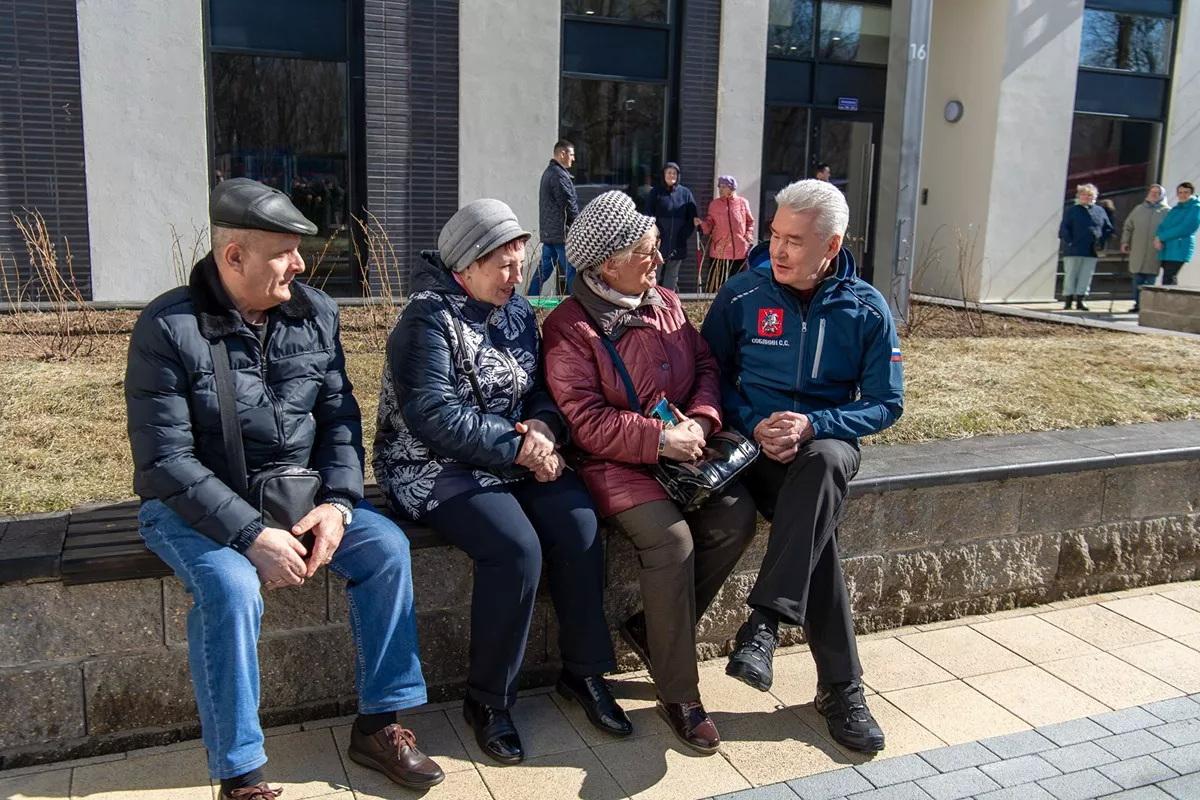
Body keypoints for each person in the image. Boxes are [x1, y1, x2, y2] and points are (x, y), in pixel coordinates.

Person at [125, 179, 443, 798]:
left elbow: (339, 420)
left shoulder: (315, 313)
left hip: (300, 499)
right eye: (284, 252)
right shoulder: (169, 327)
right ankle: (240, 775)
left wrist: (340, 504)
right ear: (234, 255)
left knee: (386, 550)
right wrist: (249, 535)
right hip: (191, 507)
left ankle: (381, 724)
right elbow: (165, 462)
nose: (300, 264)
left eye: (300, 250)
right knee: (232, 586)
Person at [374, 198, 629, 765]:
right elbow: (433, 416)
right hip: (431, 466)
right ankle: (488, 701)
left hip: (515, 453)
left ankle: (583, 672)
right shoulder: (425, 320)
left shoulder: (515, 311)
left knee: (578, 522)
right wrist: (523, 447)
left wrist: (542, 423)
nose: (518, 279)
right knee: (516, 548)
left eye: (520, 263)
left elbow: (539, 386)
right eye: (504, 267)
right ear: (466, 266)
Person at [542, 191, 758, 755]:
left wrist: (704, 422)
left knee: (736, 516)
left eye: (657, 248)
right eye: (647, 251)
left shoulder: (664, 300)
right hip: (613, 464)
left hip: (684, 450)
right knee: (673, 541)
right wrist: (659, 439)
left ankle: (651, 630)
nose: (659, 260)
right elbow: (585, 421)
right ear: (607, 263)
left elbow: (705, 365)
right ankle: (680, 694)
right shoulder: (570, 327)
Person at [701, 179, 904, 754]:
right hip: (750, 450)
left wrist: (815, 424)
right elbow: (707, 377)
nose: (779, 250)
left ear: (831, 245)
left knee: (823, 463)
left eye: (794, 240)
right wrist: (752, 421)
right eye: (774, 236)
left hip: (823, 449)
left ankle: (765, 624)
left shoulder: (866, 308)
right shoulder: (742, 295)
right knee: (818, 539)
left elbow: (886, 402)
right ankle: (840, 688)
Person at [531, 139, 581, 295]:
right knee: (571, 269)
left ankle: (529, 298)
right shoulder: (559, 175)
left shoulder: (549, 173)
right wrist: (578, 224)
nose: (573, 159)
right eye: (571, 154)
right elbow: (568, 203)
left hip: (550, 233)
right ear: (562, 153)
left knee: (543, 271)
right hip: (561, 233)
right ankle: (576, 304)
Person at [644, 161, 698, 291]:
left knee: (672, 275)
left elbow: (692, 218)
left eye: (674, 173)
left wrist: (684, 234)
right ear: (663, 175)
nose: (671, 175)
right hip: (658, 240)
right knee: (654, 271)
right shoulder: (655, 192)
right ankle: (653, 300)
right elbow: (648, 215)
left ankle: (668, 302)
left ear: (678, 175)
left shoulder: (685, 193)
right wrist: (654, 235)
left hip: (678, 241)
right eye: (668, 173)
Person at [1058, 183, 1113, 310]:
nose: (1087, 197)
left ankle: (1081, 300)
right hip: (1073, 249)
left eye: (1090, 195)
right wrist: (1069, 241)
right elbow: (1064, 229)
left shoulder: (1099, 211)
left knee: (1086, 276)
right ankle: (1068, 300)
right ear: (1079, 196)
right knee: (1071, 275)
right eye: (1084, 195)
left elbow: (1108, 228)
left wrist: (1101, 241)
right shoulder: (1072, 210)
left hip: (1091, 250)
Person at [697, 175, 756, 293]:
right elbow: (709, 225)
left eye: (723, 187)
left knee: (740, 287)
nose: (720, 189)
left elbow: (750, 221)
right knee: (717, 288)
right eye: (719, 186)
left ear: (732, 188)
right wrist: (702, 224)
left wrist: (748, 234)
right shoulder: (714, 205)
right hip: (720, 253)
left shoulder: (742, 203)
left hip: (740, 253)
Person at [1121, 184, 1170, 312]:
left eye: (1157, 193)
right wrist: (1125, 242)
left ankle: (1146, 305)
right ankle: (1137, 304)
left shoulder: (1166, 211)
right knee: (1137, 278)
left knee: (1150, 279)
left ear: (1162, 196)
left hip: (1155, 251)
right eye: (1152, 192)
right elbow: (1128, 226)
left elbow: (1169, 230)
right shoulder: (1138, 209)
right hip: (1138, 250)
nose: (1154, 195)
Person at [1154, 181, 1200, 286]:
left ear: (1191, 193)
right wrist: (1157, 237)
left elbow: (1185, 228)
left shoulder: (1196, 208)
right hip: (1167, 248)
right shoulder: (1176, 209)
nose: (1183, 195)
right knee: (1167, 277)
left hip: (1179, 248)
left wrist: (1161, 237)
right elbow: (1163, 225)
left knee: (1169, 277)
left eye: (1186, 192)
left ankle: (1169, 301)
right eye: (1180, 192)